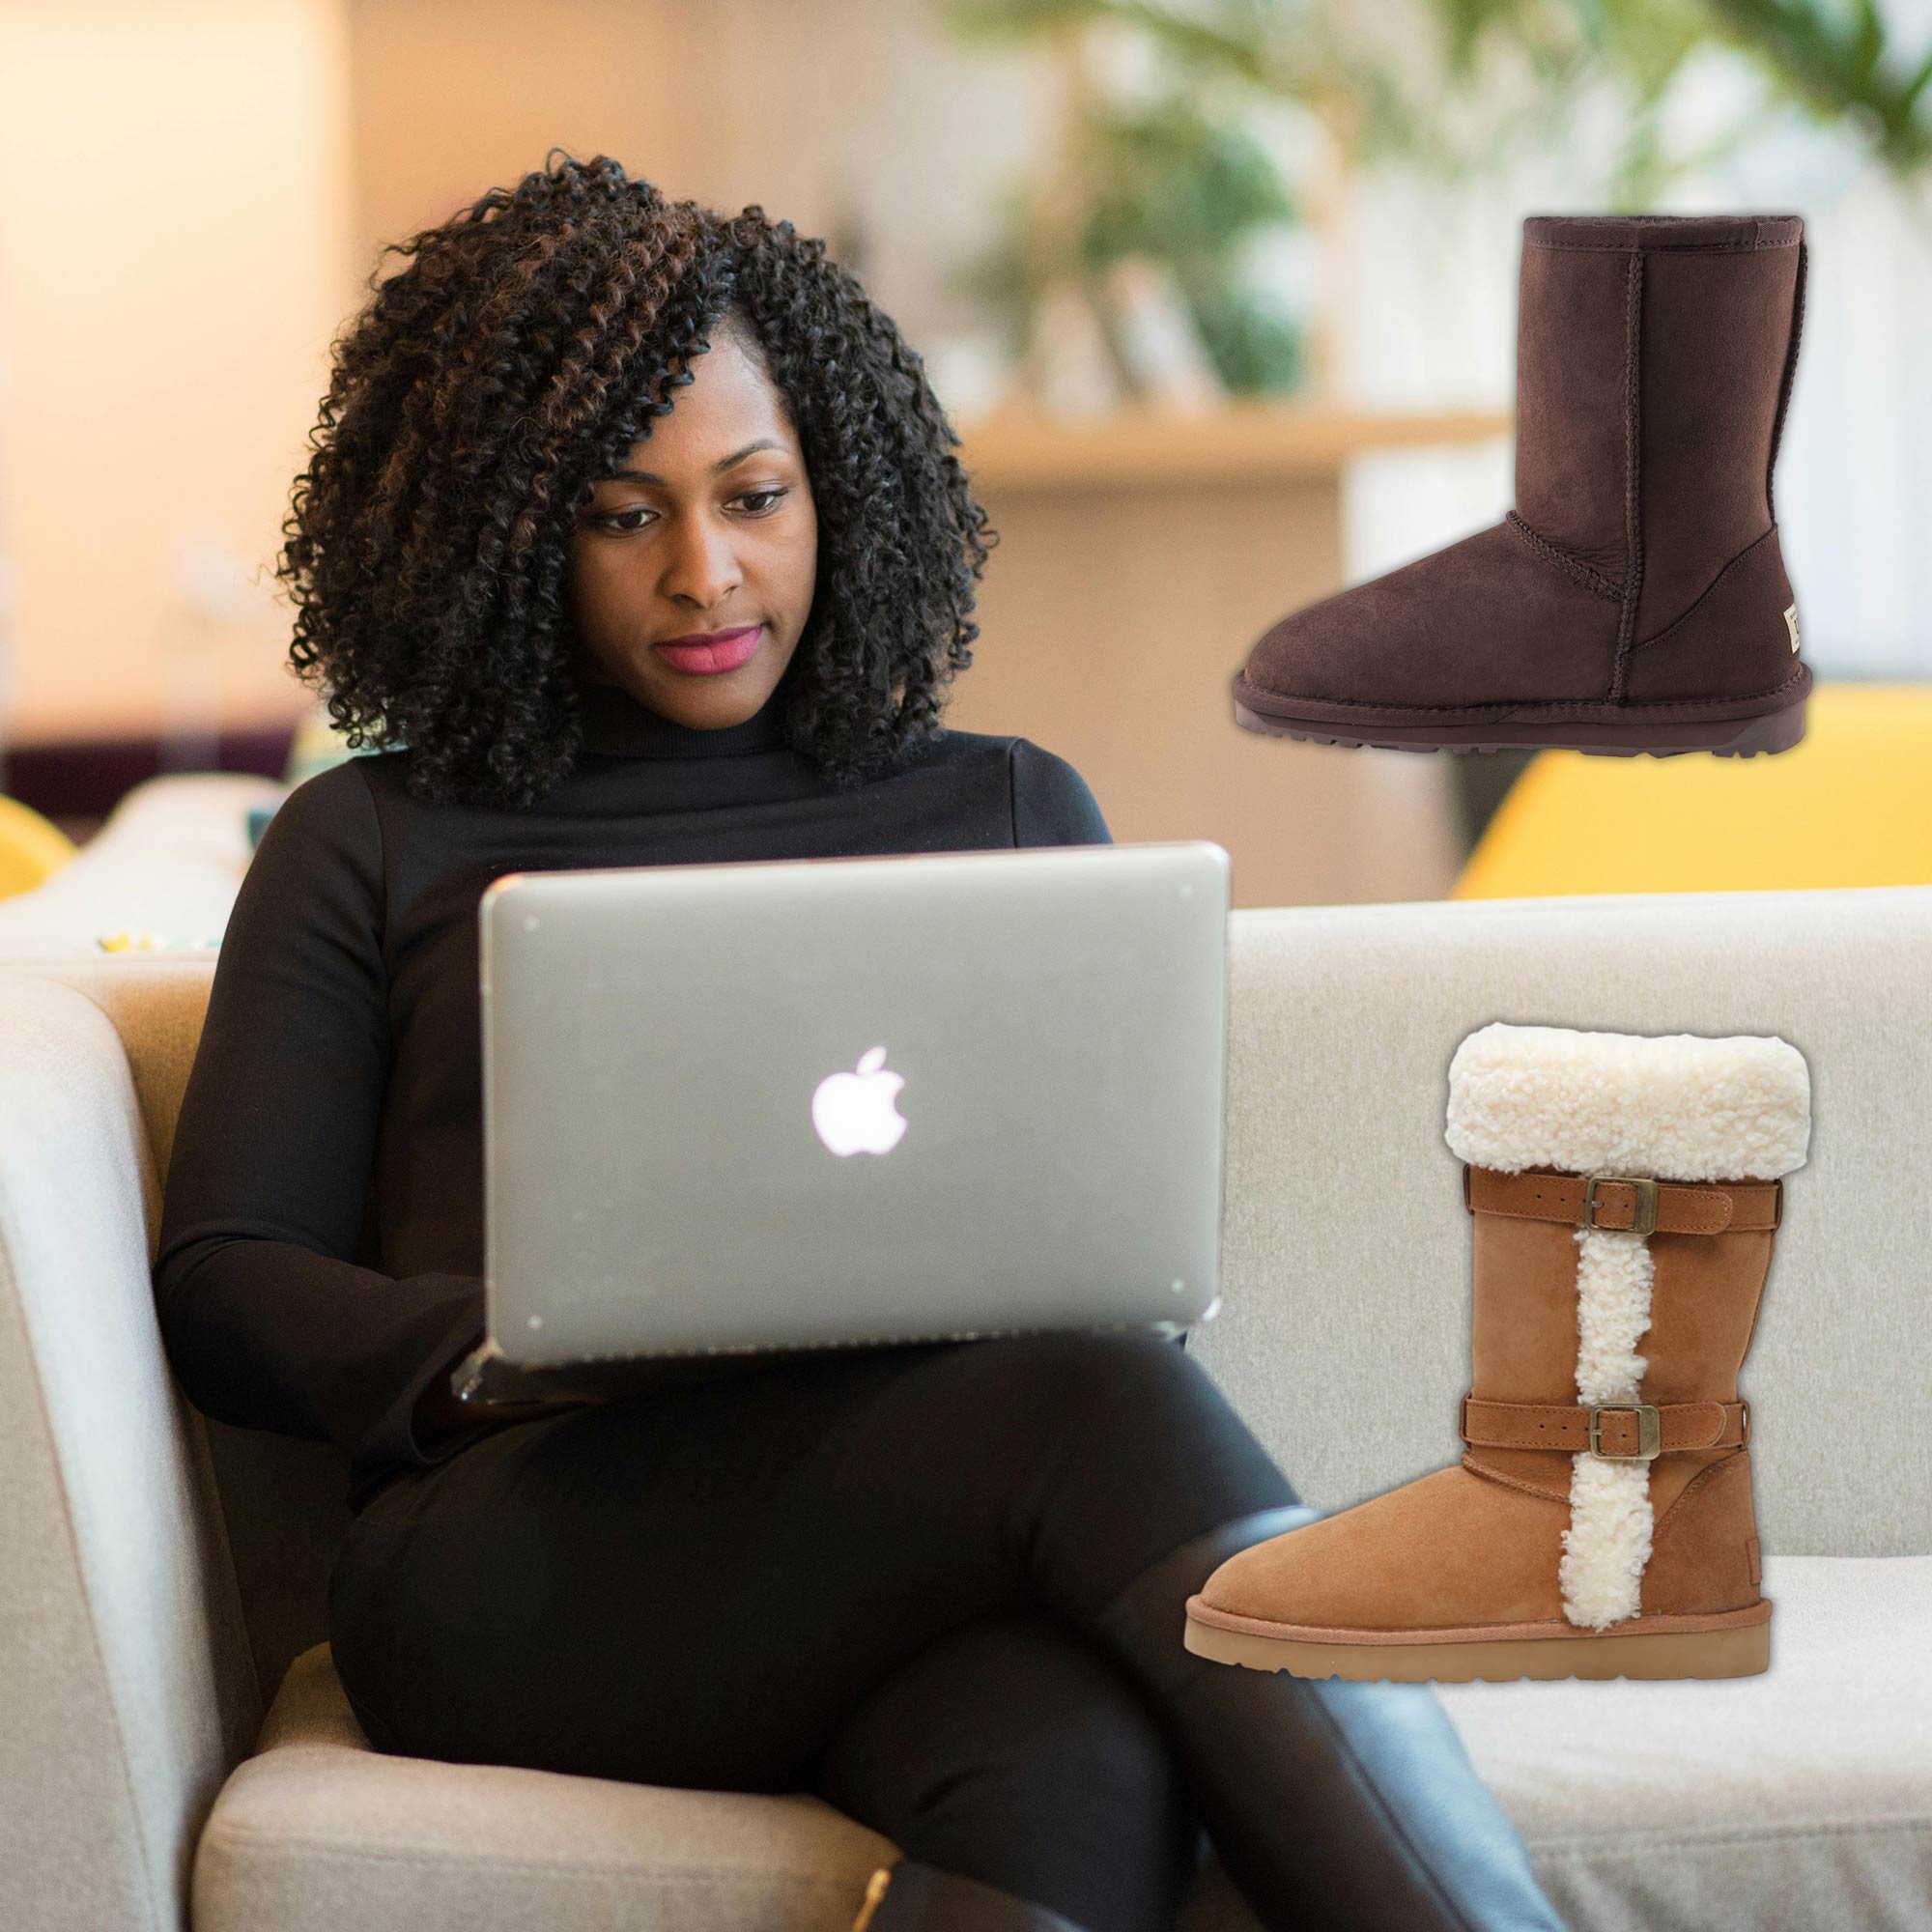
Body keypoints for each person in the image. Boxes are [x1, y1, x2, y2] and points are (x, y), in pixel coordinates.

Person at [153, 151, 1569, 1932]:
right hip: (522, 1553)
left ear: (842, 489)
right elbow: (224, 1276)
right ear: (508, 528)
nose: (704, 570)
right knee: (1101, 1410)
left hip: (934, 1518)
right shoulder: (373, 836)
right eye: (621, 514)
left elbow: (1108, 1232)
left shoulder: (1008, 808)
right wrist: (508, 1354)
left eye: (757, 494)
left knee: (1072, 1752)